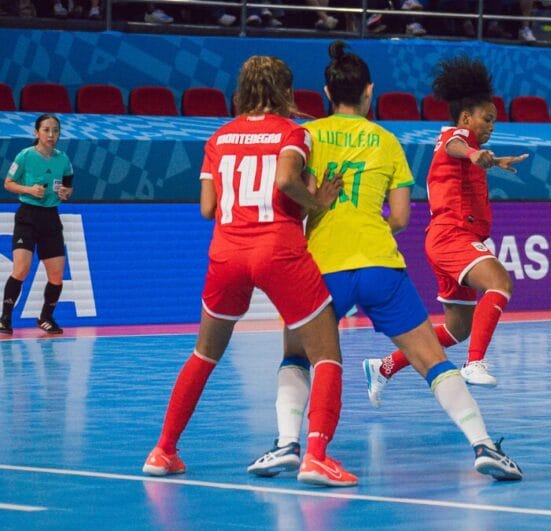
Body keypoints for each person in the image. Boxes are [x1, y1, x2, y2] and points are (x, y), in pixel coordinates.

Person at [247, 41, 522, 482]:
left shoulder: (308, 136)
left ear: (326, 90)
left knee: (297, 357)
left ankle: (286, 446)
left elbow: (286, 187)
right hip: (379, 264)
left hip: (320, 268)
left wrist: (319, 209)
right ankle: (484, 446)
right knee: (432, 360)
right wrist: (369, 227)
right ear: (369, 92)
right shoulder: (388, 141)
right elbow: (398, 217)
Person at [142, 55, 357, 488]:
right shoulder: (293, 133)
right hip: (278, 249)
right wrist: (318, 202)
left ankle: (163, 450)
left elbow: (207, 209)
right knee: (327, 354)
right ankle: (316, 456)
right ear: (285, 90)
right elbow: (284, 181)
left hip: (226, 252)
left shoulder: (218, 137)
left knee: (204, 354)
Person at [361, 55, 527, 406]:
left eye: (494, 120)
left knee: (456, 329)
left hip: (447, 238)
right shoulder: (456, 136)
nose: (491, 125)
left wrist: (493, 161)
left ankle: (384, 366)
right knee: (500, 283)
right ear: (467, 117)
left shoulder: (470, 148)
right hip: (453, 235)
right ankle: (475, 363)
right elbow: (457, 146)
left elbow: (466, 155)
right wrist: (473, 153)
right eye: (487, 118)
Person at [1, 114, 74, 336]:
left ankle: (45, 317)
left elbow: (69, 187)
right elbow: (8, 183)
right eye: (46, 130)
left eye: (55, 130)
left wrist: (65, 193)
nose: (51, 135)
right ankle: (5, 318)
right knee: (21, 269)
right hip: (28, 216)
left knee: (56, 276)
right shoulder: (25, 156)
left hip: (50, 218)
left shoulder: (63, 160)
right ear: (36, 133)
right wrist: (29, 190)